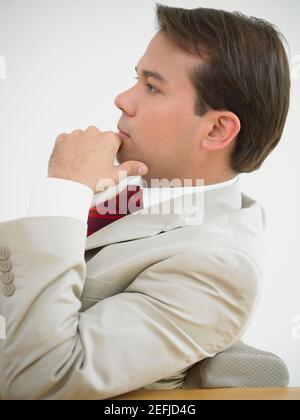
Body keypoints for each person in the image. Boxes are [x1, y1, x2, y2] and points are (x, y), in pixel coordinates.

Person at [0, 4, 290, 400]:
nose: (122, 99)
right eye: (135, 79)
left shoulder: (220, 265)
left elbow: (42, 382)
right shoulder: (131, 188)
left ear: (218, 129)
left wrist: (63, 192)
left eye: (152, 86)